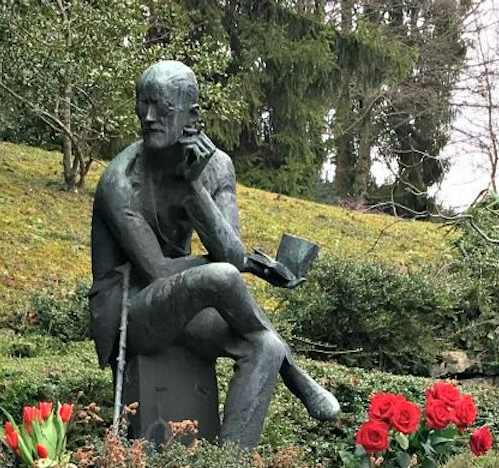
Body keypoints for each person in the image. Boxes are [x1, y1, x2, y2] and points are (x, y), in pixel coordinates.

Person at [89, 60, 340, 446]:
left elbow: (230, 252)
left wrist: (194, 187)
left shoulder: (216, 165)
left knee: (265, 345)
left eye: (163, 107)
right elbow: (158, 270)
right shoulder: (121, 181)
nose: (149, 116)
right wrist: (242, 268)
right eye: (144, 103)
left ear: (191, 115)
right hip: (130, 308)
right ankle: (298, 378)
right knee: (221, 277)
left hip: (185, 300)